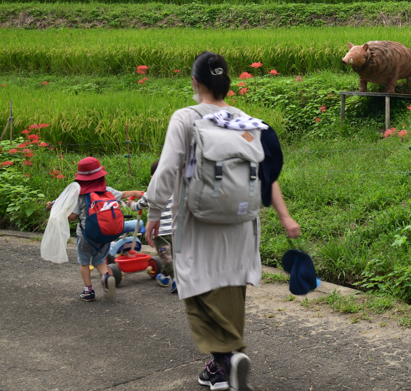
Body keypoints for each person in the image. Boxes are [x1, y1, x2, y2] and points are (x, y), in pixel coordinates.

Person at [143, 52, 300, 391]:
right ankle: (221, 366)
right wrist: (284, 216)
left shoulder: (185, 118)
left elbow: (168, 169)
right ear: (225, 82)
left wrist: (154, 211)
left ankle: (227, 358)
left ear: (195, 83)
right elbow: (267, 175)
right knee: (231, 288)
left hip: (197, 221)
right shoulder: (246, 121)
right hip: (242, 222)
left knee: (194, 286)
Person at [43, 157, 144, 302]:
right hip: (106, 235)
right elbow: (124, 194)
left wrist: (58, 209)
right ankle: (107, 276)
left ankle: (88, 291)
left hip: (86, 236)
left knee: (84, 262)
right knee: (100, 260)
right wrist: (137, 192)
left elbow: (72, 217)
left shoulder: (80, 196)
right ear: (100, 176)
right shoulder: (107, 191)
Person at [126, 161, 177, 293]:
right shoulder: (174, 190)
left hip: (160, 232)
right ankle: (165, 277)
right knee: (173, 256)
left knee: (165, 256)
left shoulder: (150, 192)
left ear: (151, 178)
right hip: (176, 229)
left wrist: (131, 203)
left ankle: (177, 280)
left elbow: (138, 206)